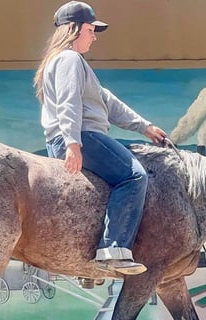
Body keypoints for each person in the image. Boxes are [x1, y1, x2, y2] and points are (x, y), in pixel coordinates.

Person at [34, 1, 168, 275]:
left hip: (77, 136)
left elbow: (108, 102)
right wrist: (73, 143)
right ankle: (114, 249)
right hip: (81, 136)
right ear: (74, 29)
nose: (94, 37)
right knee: (134, 176)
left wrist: (145, 127)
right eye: (91, 30)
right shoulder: (69, 59)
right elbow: (68, 103)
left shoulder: (73, 63)